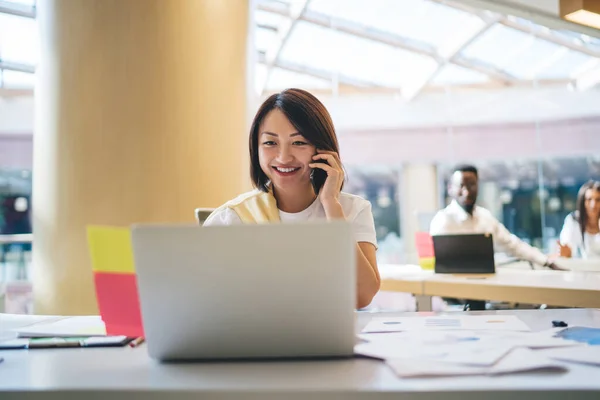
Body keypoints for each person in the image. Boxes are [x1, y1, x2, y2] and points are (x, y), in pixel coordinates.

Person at [203, 88, 380, 308]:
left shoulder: (352, 209)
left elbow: (362, 296)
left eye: (299, 143)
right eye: (270, 143)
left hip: (330, 338)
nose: (283, 157)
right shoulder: (231, 219)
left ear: (321, 148)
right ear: (255, 148)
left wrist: (331, 206)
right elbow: (207, 301)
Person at [430, 164, 565, 270]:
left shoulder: (484, 216)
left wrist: (545, 261)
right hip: (454, 293)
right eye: (461, 186)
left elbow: (512, 244)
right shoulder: (443, 220)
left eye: (471, 185)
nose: (466, 192)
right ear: (450, 189)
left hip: (485, 287)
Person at [558, 180, 600, 259]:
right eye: (589, 199)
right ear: (582, 201)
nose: (593, 205)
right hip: (583, 268)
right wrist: (566, 252)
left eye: (598, 200)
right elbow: (566, 248)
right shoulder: (573, 220)